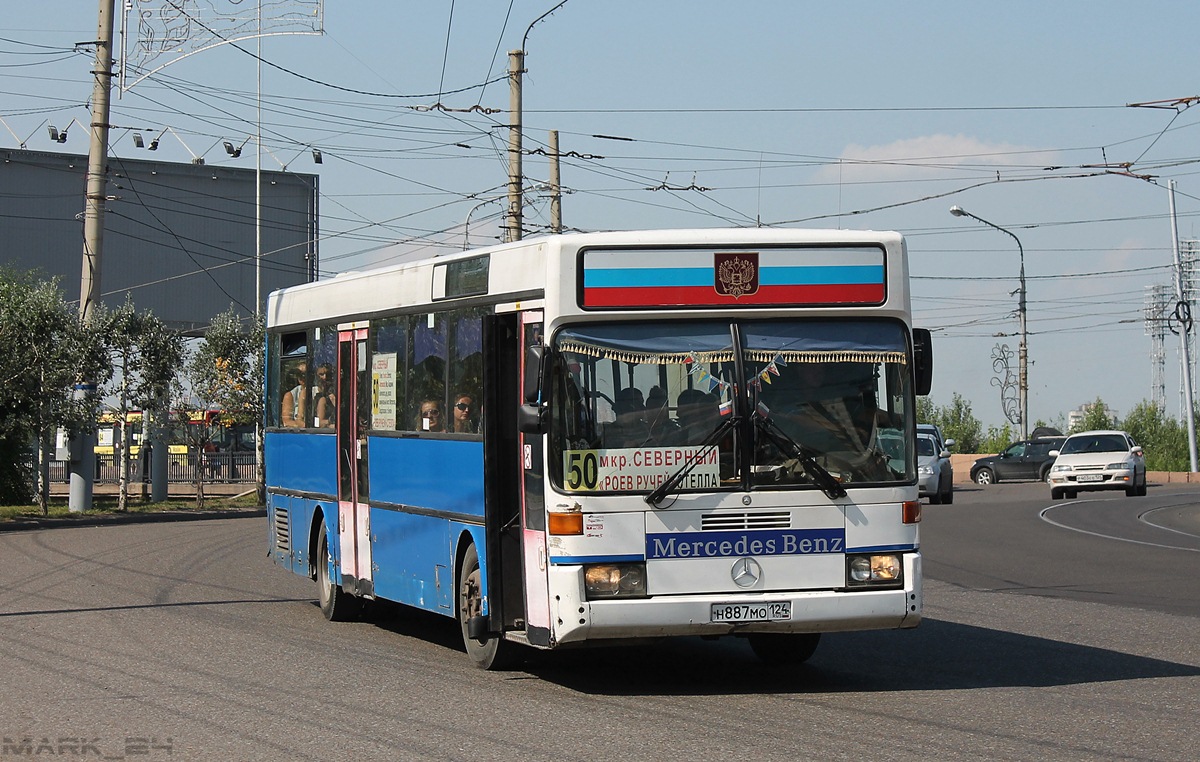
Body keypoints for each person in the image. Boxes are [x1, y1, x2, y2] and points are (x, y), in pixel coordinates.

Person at [281, 361, 309, 427]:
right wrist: (303, 425)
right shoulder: (290, 395)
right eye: (299, 374)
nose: (302, 376)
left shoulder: (318, 391)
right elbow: (286, 422)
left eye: (305, 373)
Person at [313, 362, 336, 427]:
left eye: (328, 374)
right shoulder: (310, 392)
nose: (325, 377)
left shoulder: (333, 393)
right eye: (321, 374)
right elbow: (318, 423)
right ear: (316, 375)